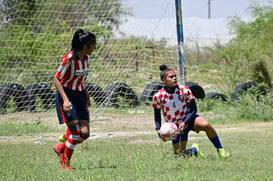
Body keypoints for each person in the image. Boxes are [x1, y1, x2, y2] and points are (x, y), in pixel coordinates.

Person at [152, 64, 230, 158]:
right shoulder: (158, 96)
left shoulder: (184, 90)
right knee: (179, 155)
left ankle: (221, 150)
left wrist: (185, 122)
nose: (174, 78)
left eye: (175, 76)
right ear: (164, 80)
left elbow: (193, 109)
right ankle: (194, 150)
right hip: (176, 127)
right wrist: (158, 129)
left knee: (206, 125)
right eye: (171, 77)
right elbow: (157, 115)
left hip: (190, 119)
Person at [53, 28, 96, 170]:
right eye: (93, 45)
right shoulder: (70, 58)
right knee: (75, 133)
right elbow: (57, 79)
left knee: (84, 134)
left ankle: (61, 147)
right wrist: (65, 100)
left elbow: (81, 80)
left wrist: (86, 95)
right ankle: (65, 165)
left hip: (80, 96)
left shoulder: (86, 58)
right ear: (85, 46)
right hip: (67, 96)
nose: (95, 47)